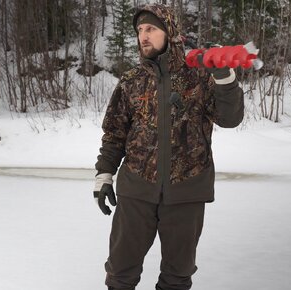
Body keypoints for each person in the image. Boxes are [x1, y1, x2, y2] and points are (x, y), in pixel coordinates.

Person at [93, 4, 244, 290]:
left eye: (150, 29)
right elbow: (114, 134)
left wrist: (224, 78)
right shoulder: (131, 81)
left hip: (187, 191)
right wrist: (103, 175)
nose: (143, 36)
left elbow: (230, 119)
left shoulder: (198, 77)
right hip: (137, 189)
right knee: (120, 274)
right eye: (139, 30)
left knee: (177, 276)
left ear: (170, 32)